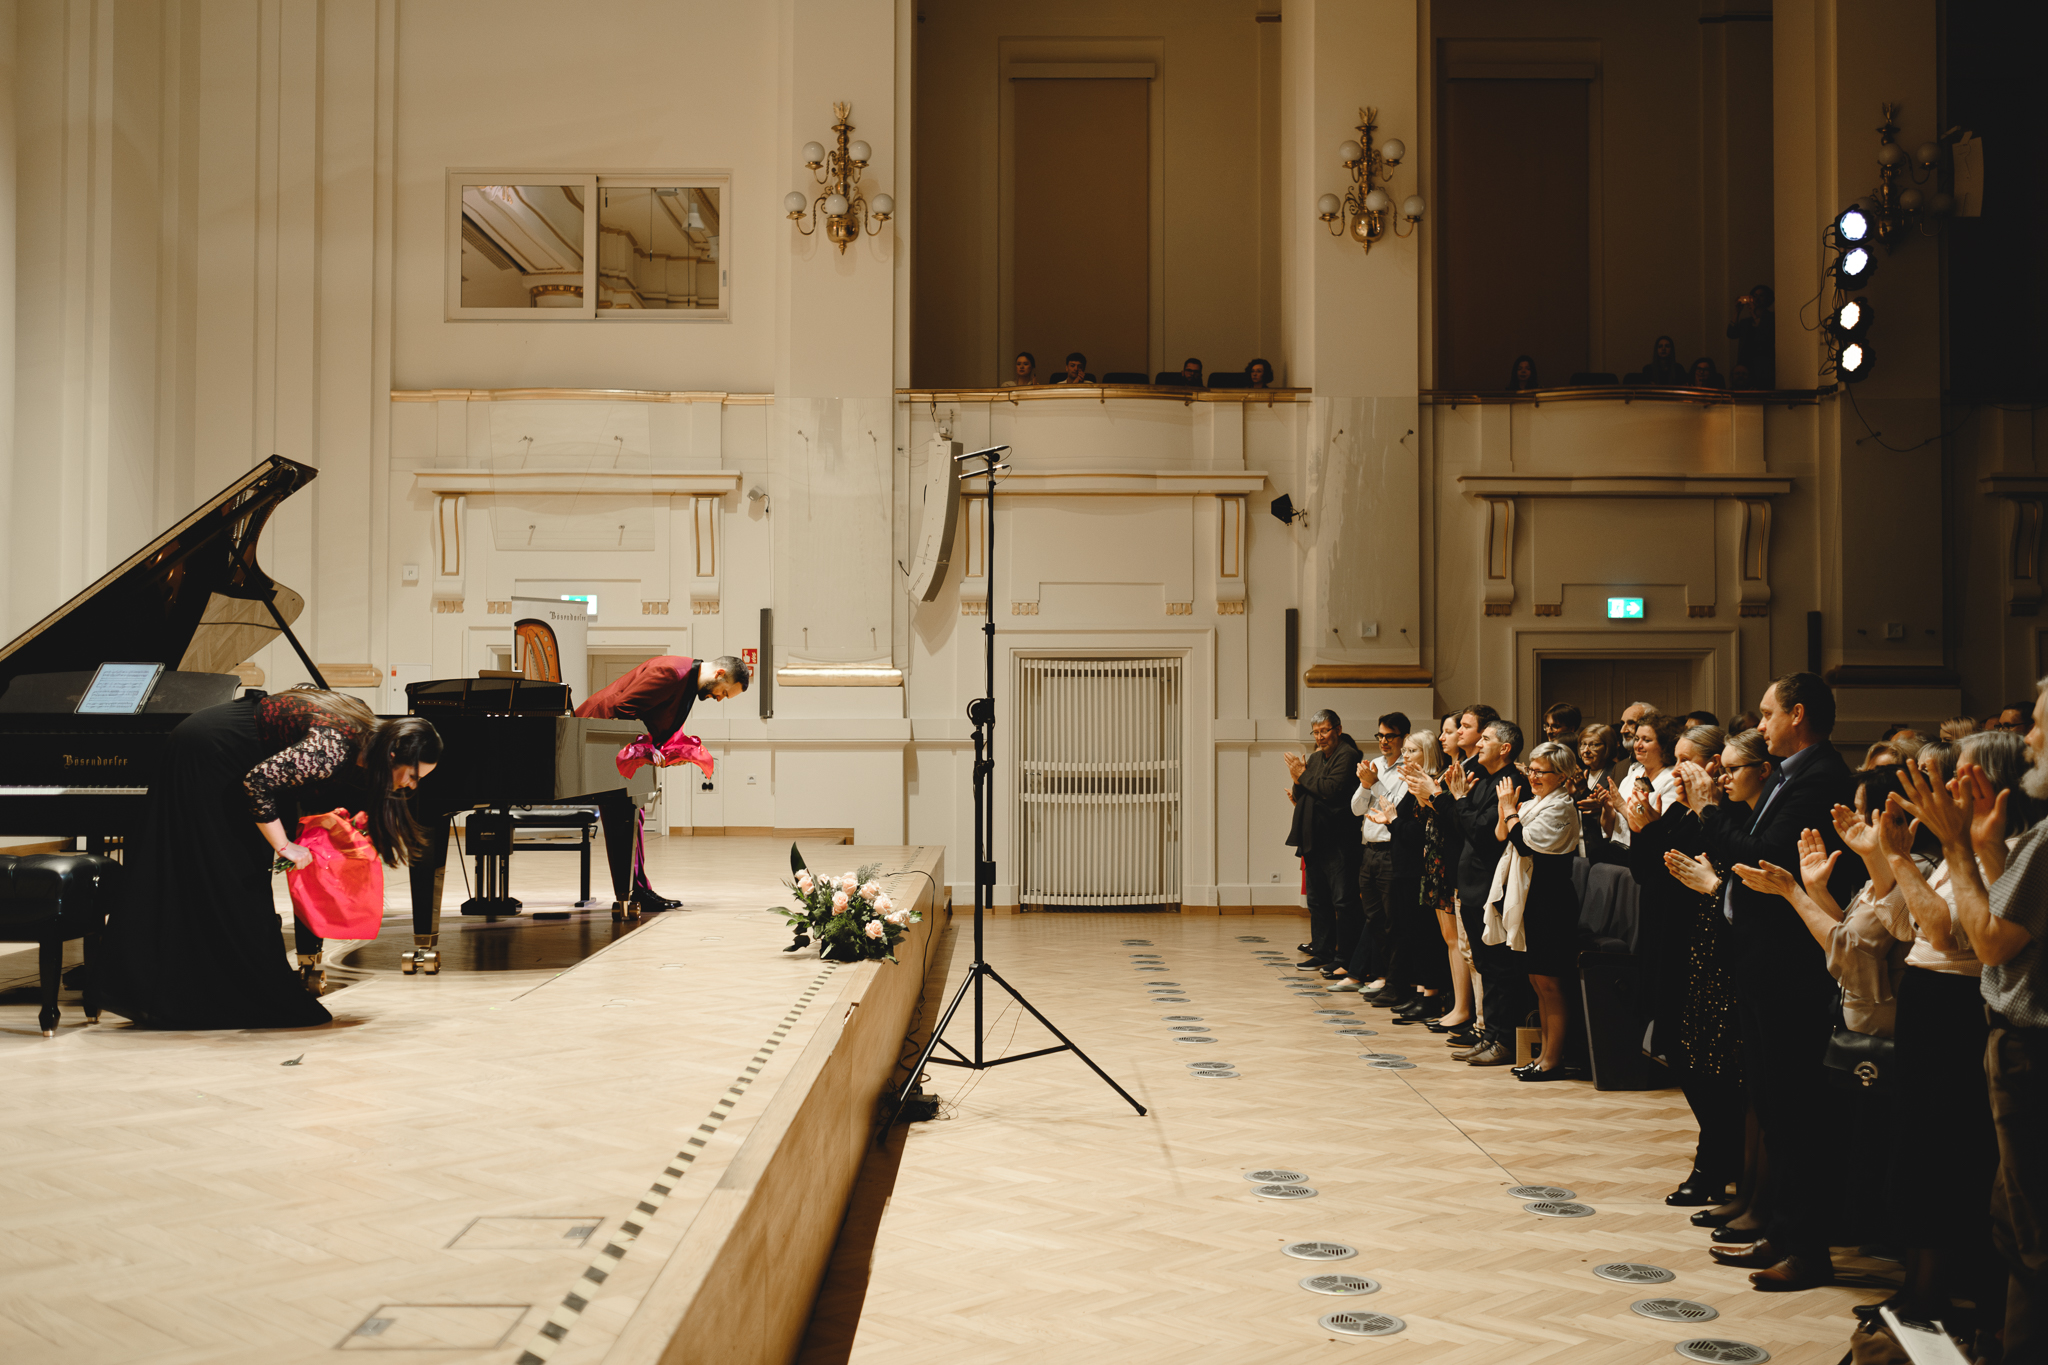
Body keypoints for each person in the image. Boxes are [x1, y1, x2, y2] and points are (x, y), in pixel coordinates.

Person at [101, 688, 443, 1029]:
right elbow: (258, 782)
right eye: (413, 775)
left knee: (231, 877)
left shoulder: (364, 728)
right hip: (208, 754)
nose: (411, 786)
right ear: (393, 752)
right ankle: (201, 996)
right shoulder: (332, 749)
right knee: (229, 879)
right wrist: (284, 846)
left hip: (220, 746)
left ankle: (203, 990)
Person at [1677, 671, 1864, 1292]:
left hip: (1791, 970)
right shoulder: (1791, 775)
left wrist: (1708, 810)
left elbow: (1759, 860)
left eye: (1767, 713)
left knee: (1796, 1113)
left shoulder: (1820, 778)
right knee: (1775, 1108)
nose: (1760, 724)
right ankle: (1782, 1233)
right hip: (1763, 963)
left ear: (1797, 714)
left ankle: (1807, 1249)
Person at [1899, 691, 2048, 1359]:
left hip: (2028, 1045)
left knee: (2027, 1232)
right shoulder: (2026, 841)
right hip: (2007, 1037)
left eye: (2037, 727)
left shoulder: (2042, 839)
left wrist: (1958, 844)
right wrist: (1980, 848)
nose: (2028, 740)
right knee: (2008, 1219)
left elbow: (1984, 941)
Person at [573, 655, 749, 912]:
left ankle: (637, 890)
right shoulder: (671, 672)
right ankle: (634, 892)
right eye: (724, 692)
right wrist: (650, 750)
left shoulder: (687, 681)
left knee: (633, 814)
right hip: (596, 739)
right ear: (720, 673)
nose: (720, 698)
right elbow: (623, 708)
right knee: (626, 814)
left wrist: (666, 752)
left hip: (611, 742)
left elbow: (652, 718)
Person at [1432, 715, 1532, 1065]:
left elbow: (1483, 834)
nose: (1478, 743)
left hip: (1493, 888)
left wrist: (1460, 799)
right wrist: (1454, 798)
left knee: (1500, 969)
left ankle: (1504, 1040)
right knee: (1485, 967)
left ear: (1504, 748)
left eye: (1486, 738)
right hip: (1473, 883)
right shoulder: (1486, 779)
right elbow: (1463, 825)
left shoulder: (1511, 783)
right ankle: (1489, 1034)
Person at [1487, 739, 1585, 1080]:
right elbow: (1502, 835)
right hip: (1532, 899)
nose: (1533, 776)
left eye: (1541, 771)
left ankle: (1553, 1059)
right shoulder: (1535, 803)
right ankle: (1543, 1055)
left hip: (1551, 902)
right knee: (1536, 981)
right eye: (1531, 769)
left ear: (1562, 775)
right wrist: (1505, 809)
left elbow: (1524, 844)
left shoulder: (1561, 808)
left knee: (1550, 983)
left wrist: (1510, 810)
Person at [1336, 713, 1410, 993]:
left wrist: (1374, 783)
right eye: (1380, 735)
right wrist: (1366, 784)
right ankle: (1377, 973)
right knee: (1373, 917)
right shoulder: (1375, 764)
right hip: (1369, 851)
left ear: (1403, 738)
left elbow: (1395, 807)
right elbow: (1357, 808)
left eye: (1390, 736)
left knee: (1391, 920)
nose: (1383, 741)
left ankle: (1387, 977)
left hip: (1392, 850)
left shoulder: (1407, 768)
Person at [1286, 710, 1364, 971]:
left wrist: (1303, 775)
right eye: (1316, 732)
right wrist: (1298, 779)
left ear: (1338, 730)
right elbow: (1305, 791)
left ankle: (1346, 958)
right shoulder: (1316, 758)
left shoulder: (1348, 755)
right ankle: (1322, 952)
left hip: (1339, 840)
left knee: (1343, 900)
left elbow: (1330, 790)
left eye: (1325, 731)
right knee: (1318, 900)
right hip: (1314, 838)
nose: (1320, 737)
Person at [1726, 285, 1777, 389]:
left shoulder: (1772, 318)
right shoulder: (1746, 322)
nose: (1757, 299)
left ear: (1767, 298)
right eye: (1754, 296)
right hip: (1746, 367)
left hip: (1764, 368)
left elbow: (1766, 335)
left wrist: (1755, 314)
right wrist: (1737, 311)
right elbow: (1731, 333)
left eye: (1761, 296)